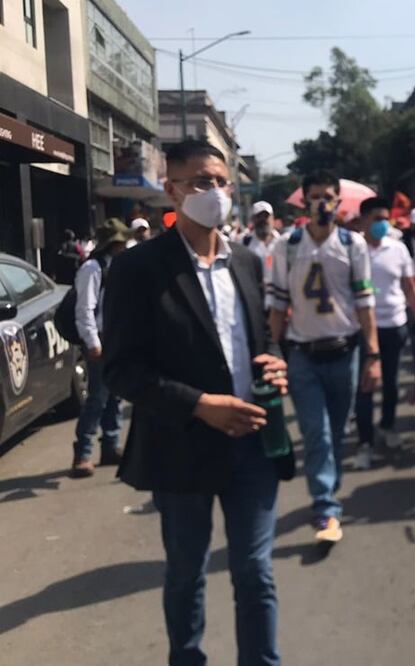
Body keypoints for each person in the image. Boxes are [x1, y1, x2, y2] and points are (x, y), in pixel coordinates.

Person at [103, 139, 290, 665]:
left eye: (221, 181)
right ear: (172, 190)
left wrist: (275, 363)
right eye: (201, 182)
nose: (215, 192)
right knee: (187, 572)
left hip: (253, 441)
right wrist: (199, 404)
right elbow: (121, 369)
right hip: (181, 445)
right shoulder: (139, 268)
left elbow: (262, 339)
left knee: (255, 571)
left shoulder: (246, 262)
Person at [268, 170, 380, 543]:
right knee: (316, 433)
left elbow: (365, 303)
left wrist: (373, 355)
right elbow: (277, 304)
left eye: (328, 196)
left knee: (336, 431)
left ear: (337, 201)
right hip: (303, 355)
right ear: (305, 202)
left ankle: (328, 490)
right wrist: (271, 351)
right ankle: (325, 506)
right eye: (314, 196)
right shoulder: (287, 246)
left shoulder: (352, 244)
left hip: (344, 352)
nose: (322, 203)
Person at [351, 196, 415, 470]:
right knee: (365, 387)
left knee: (392, 383)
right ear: (362, 221)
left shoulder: (398, 249)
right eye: (376, 219)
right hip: (363, 328)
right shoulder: (353, 250)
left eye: (386, 219)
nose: (382, 224)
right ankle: (365, 442)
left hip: (395, 325)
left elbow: (410, 288)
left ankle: (388, 425)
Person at [70, 218, 130, 478]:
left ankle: (110, 446)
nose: (124, 246)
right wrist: (93, 343)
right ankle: (82, 453)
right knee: (97, 398)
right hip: (100, 340)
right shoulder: (92, 269)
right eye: (121, 241)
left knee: (115, 396)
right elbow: (84, 309)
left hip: (117, 339)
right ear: (112, 243)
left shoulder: (116, 266)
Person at [242, 201, 280, 268]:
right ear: (253, 219)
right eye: (259, 216)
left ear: (272, 218)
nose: (262, 219)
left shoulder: (281, 242)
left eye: (266, 216)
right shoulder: (245, 242)